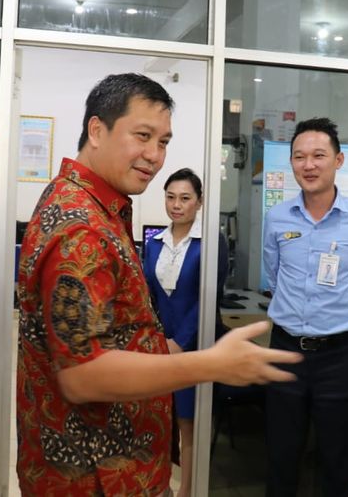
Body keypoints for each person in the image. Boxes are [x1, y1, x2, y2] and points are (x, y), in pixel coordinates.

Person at [16, 73, 303, 497]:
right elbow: (84, 375)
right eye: (143, 136)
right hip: (97, 476)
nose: (154, 155)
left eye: (164, 141)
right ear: (97, 130)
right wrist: (213, 364)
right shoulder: (82, 227)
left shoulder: (96, 207)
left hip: (115, 464)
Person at [262, 117, 348, 496]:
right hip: (285, 351)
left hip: (340, 356)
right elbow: (272, 276)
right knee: (280, 456)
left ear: (339, 160)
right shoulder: (277, 217)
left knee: (339, 459)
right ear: (292, 163)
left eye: (319, 155)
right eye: (300, 157)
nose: (309, 165)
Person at [142, 168, 205, 497]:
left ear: (199, 202)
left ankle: (189, 491)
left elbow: (206, 300)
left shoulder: (209, 245)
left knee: (187, 423)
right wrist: (156, 340)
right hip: (158, 347)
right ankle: (160, 485)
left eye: (185, 198)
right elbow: (148, 298)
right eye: (170, 197)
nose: (176, 205)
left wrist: (180, 341)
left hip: (192, 347)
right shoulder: (154, 245)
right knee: (159, 420)